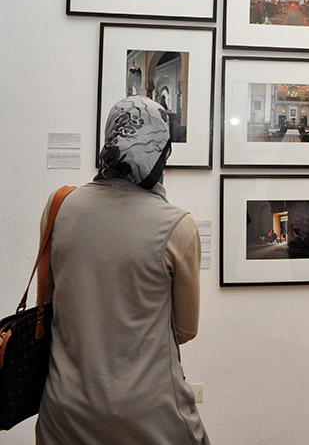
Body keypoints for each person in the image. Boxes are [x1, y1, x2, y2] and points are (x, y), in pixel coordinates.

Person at [36, 96, 209, 444]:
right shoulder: (177, 226)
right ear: (161, 150)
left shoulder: (59, 206)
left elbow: (52, 301)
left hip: (64, 412)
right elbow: (184, 329)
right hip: (149, 415)